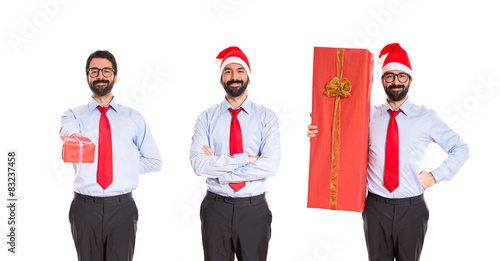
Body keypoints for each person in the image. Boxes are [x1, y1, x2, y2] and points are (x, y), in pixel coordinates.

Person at [307, 43, 469, 260]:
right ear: (382, 81)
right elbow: (341, 143)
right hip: (376, 207)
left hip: (412, 208)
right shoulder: (367, 115)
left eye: (401, 76)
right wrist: (316, 132)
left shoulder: (426, 118)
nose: (395, 82)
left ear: (410, 80)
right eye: (389, 76)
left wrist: (434, 176)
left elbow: (460, 148)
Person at [59, 50, 162, 261]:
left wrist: (121, 165)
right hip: (84, 208)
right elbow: (66, 130)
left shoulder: (133, 118)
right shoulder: (73, 115)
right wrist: (75, 136)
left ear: (115, 76)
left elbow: (154, 161)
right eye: (94, 71)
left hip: (122, 208)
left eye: (106, 71)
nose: (100, 76)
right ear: (87, 77)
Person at [190, 46, 280, 261]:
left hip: (253, 210)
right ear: (221, 79)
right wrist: (246, 159)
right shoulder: (206, 118)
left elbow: (269, 166)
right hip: (216, 208)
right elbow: (198, 164)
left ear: (248, 76)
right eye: (228, 71)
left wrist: (220, 170)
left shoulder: (266, 117)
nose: (234, 77)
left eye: (240, 70)